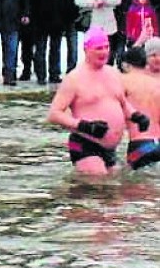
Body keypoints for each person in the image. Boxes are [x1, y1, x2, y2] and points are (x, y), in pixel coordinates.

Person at [47, 27, 149, 176]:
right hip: (84, 143)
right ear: (86, 49)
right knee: (99, 184)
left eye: (106, 47)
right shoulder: (74, 78)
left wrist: (136, 116)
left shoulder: (113, 73)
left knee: (115, 191)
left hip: (109, 148)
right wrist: (84, 126)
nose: (104, 52)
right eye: (98, 48)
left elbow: (121, 103)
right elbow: (54, 114)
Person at [120, 43, 160, 169]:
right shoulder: (156, 84)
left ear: (126, 64)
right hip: (157, 142)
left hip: (140, 146)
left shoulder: (123, 81)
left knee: (133, 186)